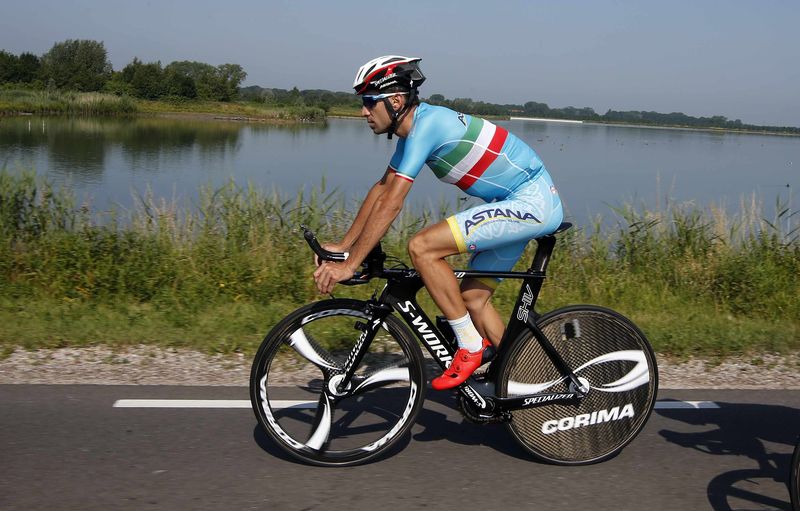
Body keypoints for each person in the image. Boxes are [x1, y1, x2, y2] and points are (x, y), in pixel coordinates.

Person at [313, 55, 563, 390]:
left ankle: (470, 347)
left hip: (531, 203)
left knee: (422, 247)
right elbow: (382, 190)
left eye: (369, 103)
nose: (363, 112)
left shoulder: (426, 127)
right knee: (473, 299)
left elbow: (392, 205)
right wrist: (344, 247)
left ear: (396, 100)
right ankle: (521, 387)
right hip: (517, 202)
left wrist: (351, 265)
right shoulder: (413, 131)